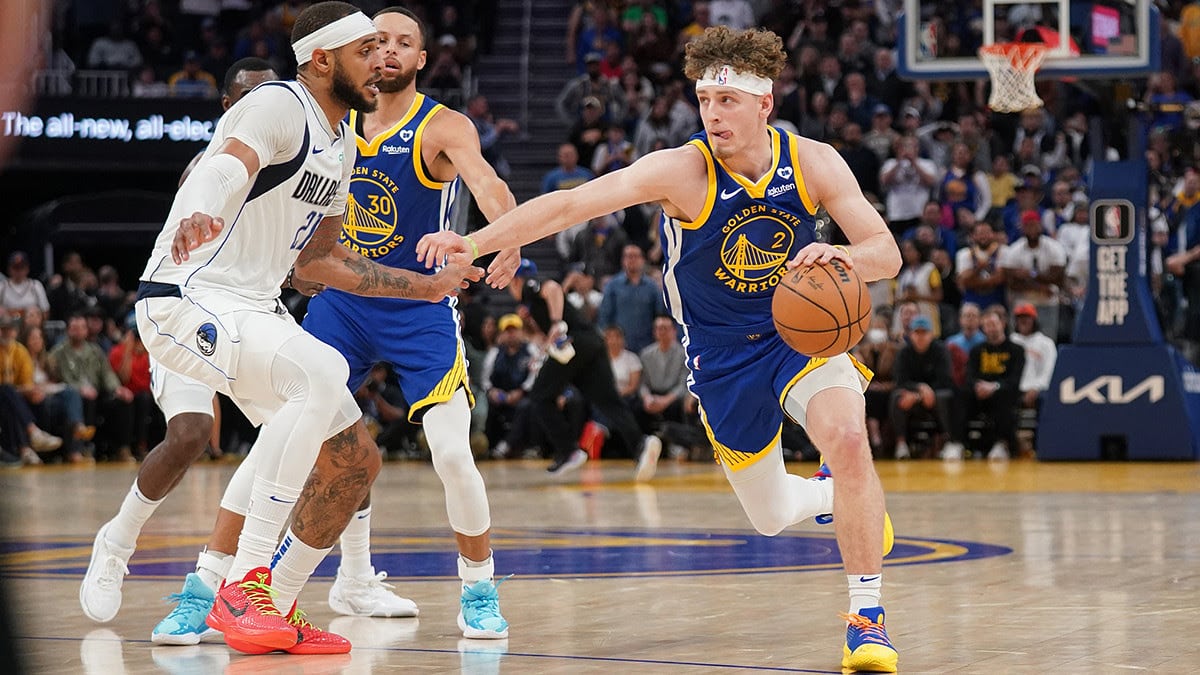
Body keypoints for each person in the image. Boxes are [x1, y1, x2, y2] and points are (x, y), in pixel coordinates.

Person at [418, 26, 901, 673]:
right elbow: (571, 203)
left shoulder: (813, 162)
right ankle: (837, 497)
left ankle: (865, 620)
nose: (712, 113)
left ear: (764, 104)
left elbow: (886, 254)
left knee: (847, 436)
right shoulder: (683, 170)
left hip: (798, 338)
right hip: (722, 359)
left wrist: (837, 253)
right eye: (703, 99)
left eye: (727, 101)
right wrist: (475, 243)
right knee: (771, 514)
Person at [80, 2, 480, 656]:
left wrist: (427, 286)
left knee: (356, 462)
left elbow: (321, 261)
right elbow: (227, 161)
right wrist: (206, 208)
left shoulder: (342, 143)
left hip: (255, 309)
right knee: (311, 376)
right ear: (322, 59)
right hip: (186, 296)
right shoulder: (276, 102)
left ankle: (279, 605)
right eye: (363, 50)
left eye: (387, 49)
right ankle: (239, 582)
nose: (378, 61)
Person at [298, 6, 520, 639]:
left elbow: (488, 183)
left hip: (420, 309)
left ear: (422, 59)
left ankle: (478, 590)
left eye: (403, 43)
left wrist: (502, 236)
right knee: (308, 443)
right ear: (359, 56)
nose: (388, 52)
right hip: (341, 304)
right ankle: (347, 577)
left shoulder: (441, 126)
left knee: (452, 454)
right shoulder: (331, 123)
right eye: (377, 43)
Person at [964, 308, 1025, 461]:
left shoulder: (1016, 350)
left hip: (1003, 393)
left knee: (1005, 396)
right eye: (987, 325)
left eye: (993, 323)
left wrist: (995, 387)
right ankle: (958, 442)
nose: (990, 328)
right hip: (980, 394)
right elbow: (970, 376)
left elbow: (1015, 380)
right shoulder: (976, 350)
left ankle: (1001, 444)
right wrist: (978, 386)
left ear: (1003, 324)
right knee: (959, 394)